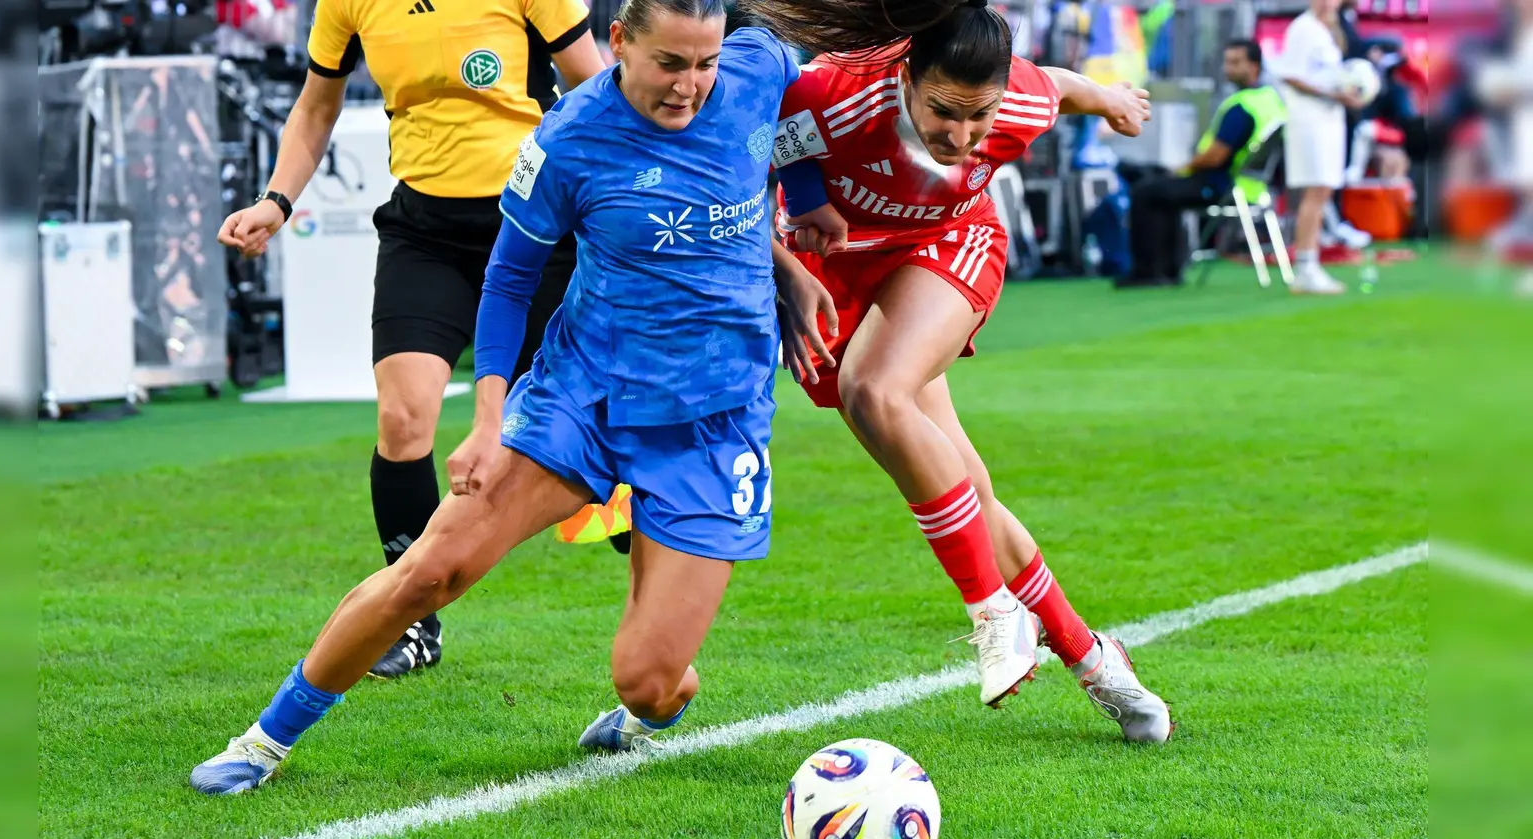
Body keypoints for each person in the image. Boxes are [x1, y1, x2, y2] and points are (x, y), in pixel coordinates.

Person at [190, 0, 838, 792]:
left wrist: (803, 214)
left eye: (704, 64)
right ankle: (263, 741)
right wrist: (490, 417)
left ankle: (651, 705)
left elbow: (799, 117)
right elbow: (507, 282)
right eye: (670, 64)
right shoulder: (568, 139)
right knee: (433, 568)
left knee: (649, 678)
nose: (690, 87)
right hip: (584, 396)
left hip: (715, 417)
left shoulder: (757, 67)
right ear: (620, 44)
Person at [751, 0, 1173, 741]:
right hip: (845, 269)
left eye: (979, 117)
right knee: (967, 489)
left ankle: (992, 612)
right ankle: (1094, 658)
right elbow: (771, 146)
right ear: (906, 75)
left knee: (873, 387)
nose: (964, 136)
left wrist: (1113, 101)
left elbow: (1062, 86)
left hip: (950, 246)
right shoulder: (835, 93)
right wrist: (811, 203)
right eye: (945, 112)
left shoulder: (1017, 99)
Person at [215, 0, 615, 679]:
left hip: (533, 229)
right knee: (402, 419)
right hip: (424, 233)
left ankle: (646, 536)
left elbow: (598, 89)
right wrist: (274, 202)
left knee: (585, 432)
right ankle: (409, 624)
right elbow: (315, 110)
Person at [1117, 39, 1286, 287]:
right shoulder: (1271, 99)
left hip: (1223, 185)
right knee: (1162, 190)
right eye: (1227, 62)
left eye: (1236, 62)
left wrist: (1183, 168)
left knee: (1146, 191)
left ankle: (1148, 273)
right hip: (1254, 187)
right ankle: (1168, 270)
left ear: (1255, 65)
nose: (1228, 69)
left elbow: (1215, 156)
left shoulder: (1242, 106)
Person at [1275, 0, 1367, 295]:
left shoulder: (1327, 30)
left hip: (1328, 120)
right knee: (1315, 192)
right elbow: (1291, 74)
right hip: (1309, 121)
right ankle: (1306, 266)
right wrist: (1332, 93)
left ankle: (1310, 262)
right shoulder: (1302, 28)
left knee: (1323, 191)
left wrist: (1344, 92)